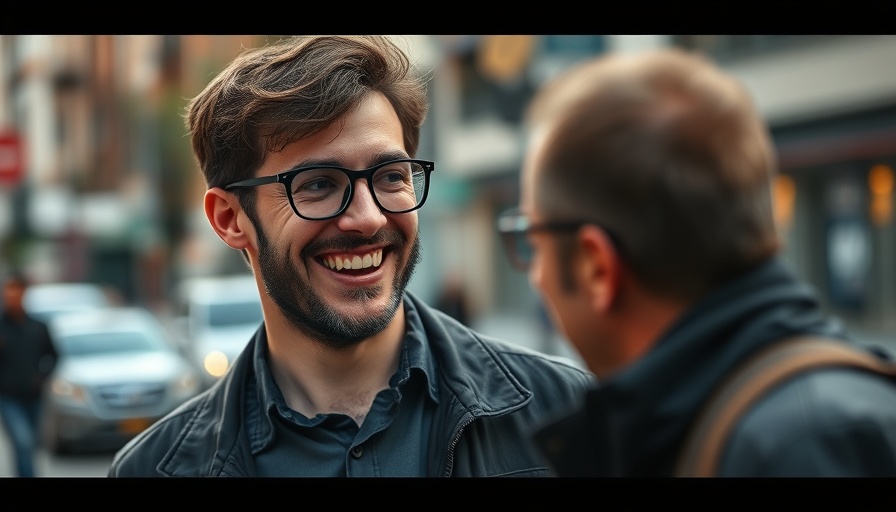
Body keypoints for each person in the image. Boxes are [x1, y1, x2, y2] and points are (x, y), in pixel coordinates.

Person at [108, 35, 595, 477]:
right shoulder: (153, 470)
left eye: (390, 177)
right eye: (319, 184)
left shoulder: (567, 413)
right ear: (230, 219)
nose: (367, 218)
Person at [497, 47, 896, 476]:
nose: (535, 276)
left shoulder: (795, 449)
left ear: (597, 267)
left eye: (532, 240)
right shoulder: (771, 422)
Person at [0, 272, 59, 477]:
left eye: (15, 291)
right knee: (22, 440)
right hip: (8, 397)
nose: (11, 296)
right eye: (7, 292)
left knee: (30, 445)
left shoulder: (38, 326)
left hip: (33, 396)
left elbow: (53, 355)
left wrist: (42, 377)